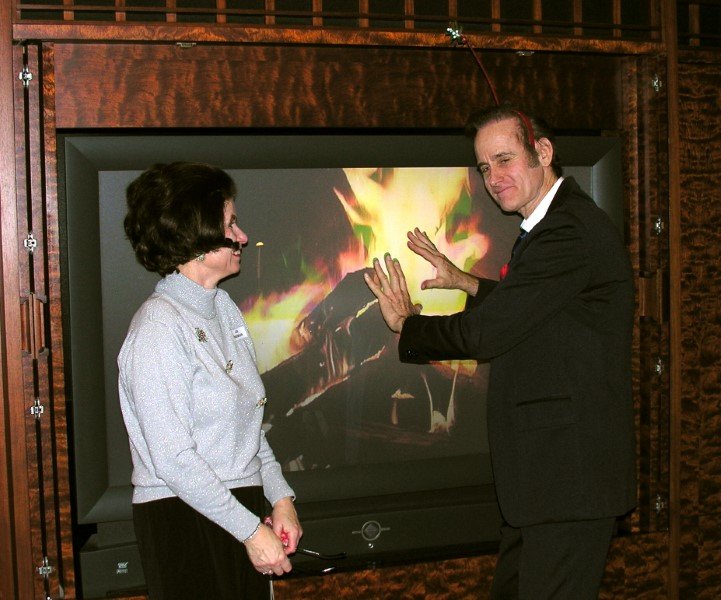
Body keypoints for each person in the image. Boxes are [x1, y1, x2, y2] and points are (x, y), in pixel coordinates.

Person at [364, 105, 636, 600]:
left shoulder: (567, 229)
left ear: (543, 153)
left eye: (504, 159)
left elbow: (487, 334)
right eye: (484, 167)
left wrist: (406, 325)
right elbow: (544, 308)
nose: (493, 178)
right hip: (545, 484)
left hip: (569, 482)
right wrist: (467, 281)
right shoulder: (552, 224)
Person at [118, 162, 302, 599]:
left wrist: (281, 499)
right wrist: (249, 531)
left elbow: (248, 426)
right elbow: (172, 459)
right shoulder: (158, 328)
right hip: (183, 518)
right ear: (196, 239)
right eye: (230, 225)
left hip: (239, 510)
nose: (242, 236)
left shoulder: (223, 308)